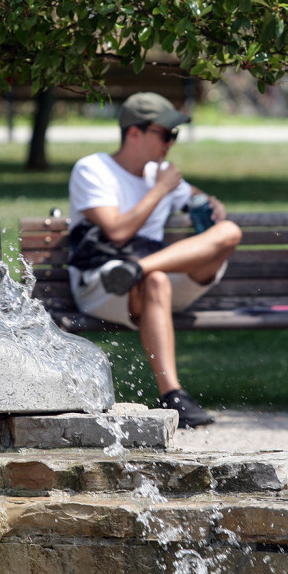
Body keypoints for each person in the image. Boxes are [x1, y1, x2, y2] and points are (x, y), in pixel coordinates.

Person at [67, 92, 241, 428]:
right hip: (102, 279)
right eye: (165, 134)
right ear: (135, 133)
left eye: (174, 135)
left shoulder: (161, 174)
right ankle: (172, 394)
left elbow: (198, 201)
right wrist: (160, 190)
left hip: (145, 272)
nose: (171, 143)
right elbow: (117, 232)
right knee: (157, 279)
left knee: (230, 231)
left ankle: (140, 270)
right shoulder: (93, 169)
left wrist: (210, 205)